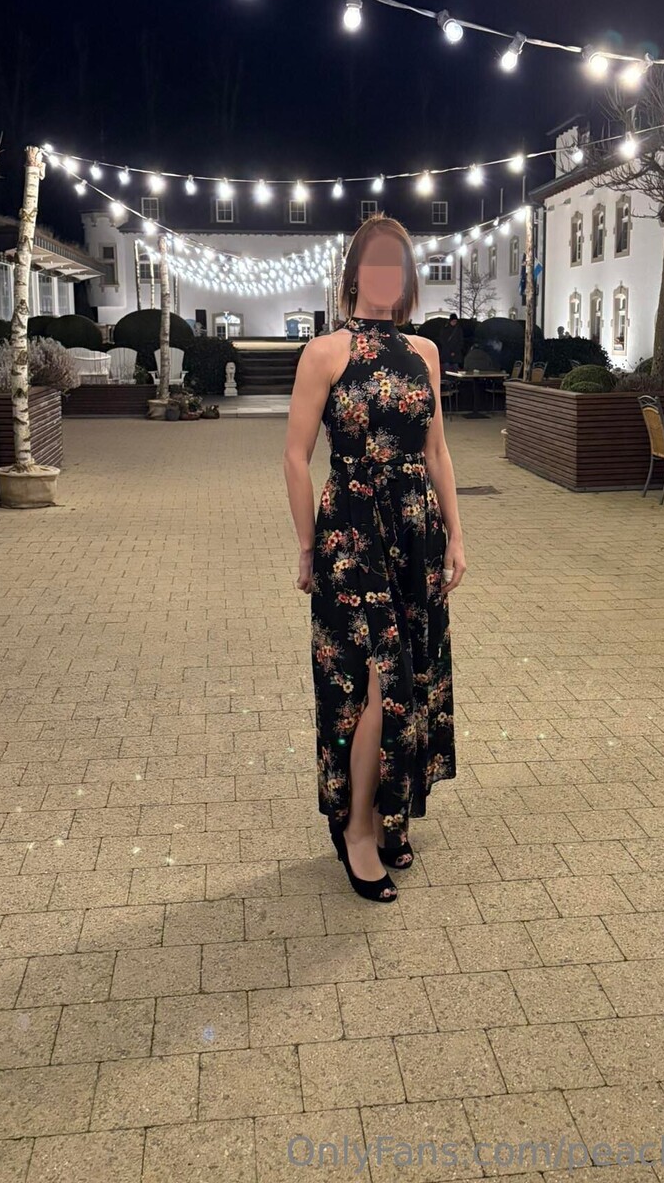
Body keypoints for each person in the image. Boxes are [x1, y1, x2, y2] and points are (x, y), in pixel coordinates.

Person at [283, 214, 465, 903]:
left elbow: (437, 451)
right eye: (377, 262)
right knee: (377, 681)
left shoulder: (425, 352)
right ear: (355, 273)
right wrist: (307, 545)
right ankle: (357, 828)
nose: (388, 275)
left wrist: (456, 535)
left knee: (408, 678)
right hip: (353, 532)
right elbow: (295, 456)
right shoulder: (325, 353)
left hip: (415, 530)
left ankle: (390, 816)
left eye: (399, 263)